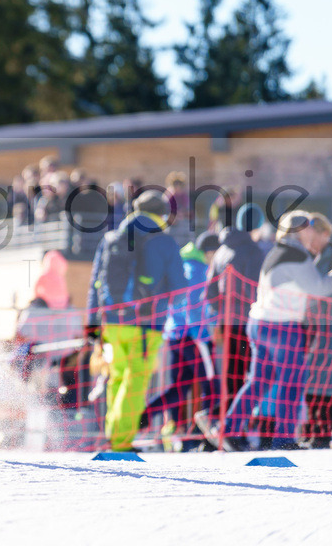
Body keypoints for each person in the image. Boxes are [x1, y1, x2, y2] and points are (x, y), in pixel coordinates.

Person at [208, 211, 332, 451]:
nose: (313, 231)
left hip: (259, 323)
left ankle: (228, 429)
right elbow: (320, 288)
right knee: (291, 383)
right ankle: (284, 440)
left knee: (259, 381)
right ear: (301, 231)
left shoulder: (276, 252)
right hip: (282, 327)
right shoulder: (296, 256)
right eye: (310, 226)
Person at [85, 190, 186, 451]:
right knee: (136, 380)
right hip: (146, 324)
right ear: (162, 214)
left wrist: (92, 323)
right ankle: (121, 441)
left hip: (112, 323)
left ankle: (112, 434)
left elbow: (95, 283)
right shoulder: (164, 242)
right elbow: (179, 286)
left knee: (117, 377)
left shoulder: (111, 238)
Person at [144, 231, 220, 447]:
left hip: (175, 334)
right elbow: (193, 306)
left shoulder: (185, 264)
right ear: (210, 252)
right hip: (193, 336)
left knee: (179, 388)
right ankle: (208, 435)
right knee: (211, 384)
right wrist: (203, 335)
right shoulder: (199, 269)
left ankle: (141, 419)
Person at [205, 202, 266, 414]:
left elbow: (210, 291)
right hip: (245, 324)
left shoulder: (222, 250)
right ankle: (226, 423)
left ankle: (218, 420)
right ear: (256, 226)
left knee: (230, 374)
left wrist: (221, 311)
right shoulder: (253, 252)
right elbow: (256, 290)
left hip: (226, 323)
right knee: (243, 376)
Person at [298, 213, 332, 448]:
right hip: (313, 326)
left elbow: (330, 289)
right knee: (312, 379)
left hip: (330, 325)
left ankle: (322, 432)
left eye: (312, 236)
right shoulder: (312, 258)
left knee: (326, 378)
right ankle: (311, 430)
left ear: (324, 233)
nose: (309, 242)